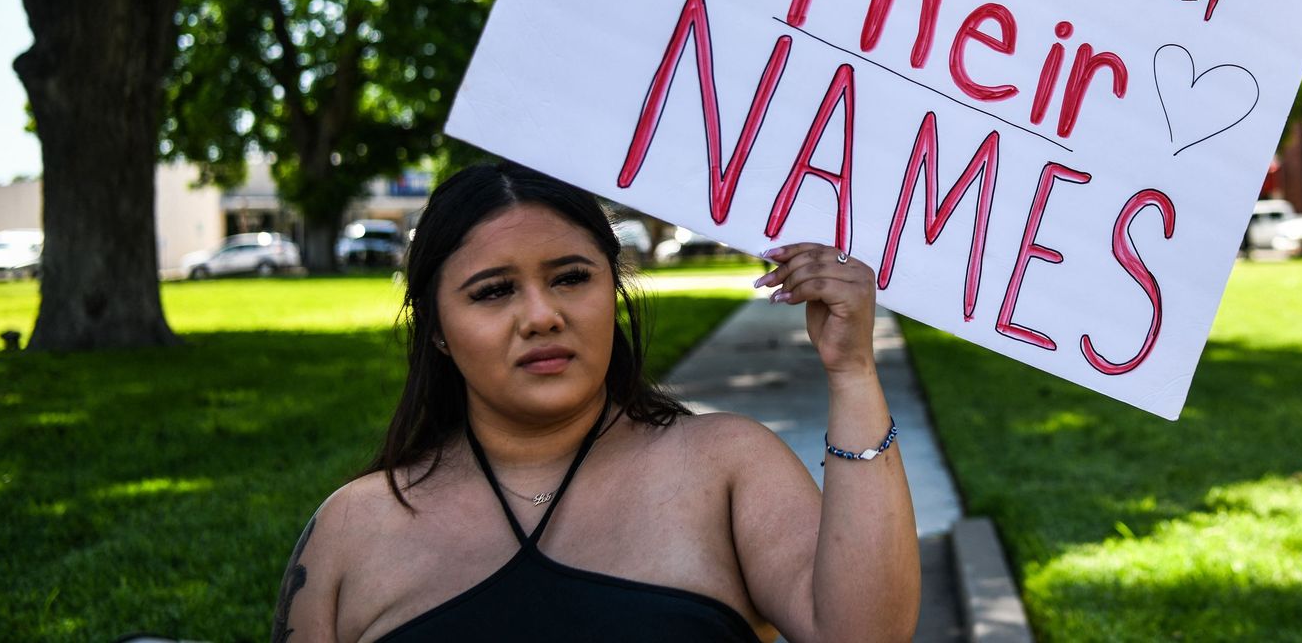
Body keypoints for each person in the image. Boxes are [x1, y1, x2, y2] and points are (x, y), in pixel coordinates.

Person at [271, 162, 919, 642]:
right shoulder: (351, 531)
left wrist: (853, 369)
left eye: (571, 278)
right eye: (493, 291)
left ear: (612, 286)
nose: (541, 315)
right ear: (437, 328)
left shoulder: (727, 467)